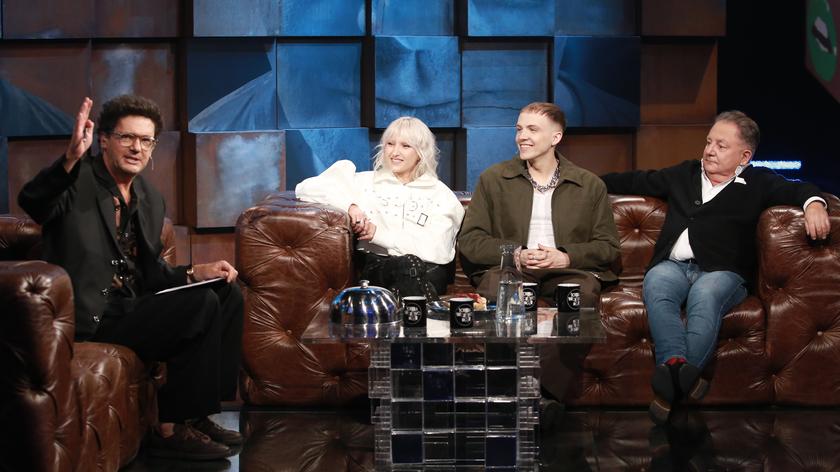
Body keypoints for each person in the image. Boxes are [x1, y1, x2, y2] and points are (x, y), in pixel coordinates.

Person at [18, 95, 245, 460]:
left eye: (146, 140)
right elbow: (32, 201)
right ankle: (170, 427)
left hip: (130, 308)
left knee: (226, 293)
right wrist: (71, 158)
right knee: (200, 304)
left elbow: (150, 273)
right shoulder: (75, 179)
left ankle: (198, 414)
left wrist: (193, 273)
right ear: (104, 140)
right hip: (90, 315)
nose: (137, 148)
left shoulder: (149, 198)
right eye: (127, 137)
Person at [601, 110, 831, 424]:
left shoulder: (758, 181)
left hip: (722, 273)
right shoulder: (685, 173)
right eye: (709, 142)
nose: (709, 150)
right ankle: (680, 371)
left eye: (721, 146)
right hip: (673, 266)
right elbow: (632, 179)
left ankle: (668, 387)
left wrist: (814, 204)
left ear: (744, 156)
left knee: (705, 295)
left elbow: (799, 189)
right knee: (656, 282)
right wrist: (584, 182)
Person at [458, 102, 620, 405]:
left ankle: (540, 396)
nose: (522, 136)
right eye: (519, 129)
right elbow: (470, 240)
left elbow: (608, 246)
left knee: (580, 296)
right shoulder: (494, 179)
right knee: (498, 291)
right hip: (513, 270)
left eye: (532, 129)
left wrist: (566, 256)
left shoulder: (588, 185)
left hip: (567, 271)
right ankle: (529, 400)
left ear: (556, 137)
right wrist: (515, 253)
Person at [295, 116, 465, 299]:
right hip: (378, 266)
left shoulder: (440, 194)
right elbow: (307, 187)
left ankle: (408, 313)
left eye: (405, 146)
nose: (395, 152)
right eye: (390, 144)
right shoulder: (366, 182)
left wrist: (379, 235)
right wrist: (350, 206)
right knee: (408, 266)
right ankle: (430, 314)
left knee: (411, 266)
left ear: (421, 152)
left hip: (429, 268)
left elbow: (438, 250)